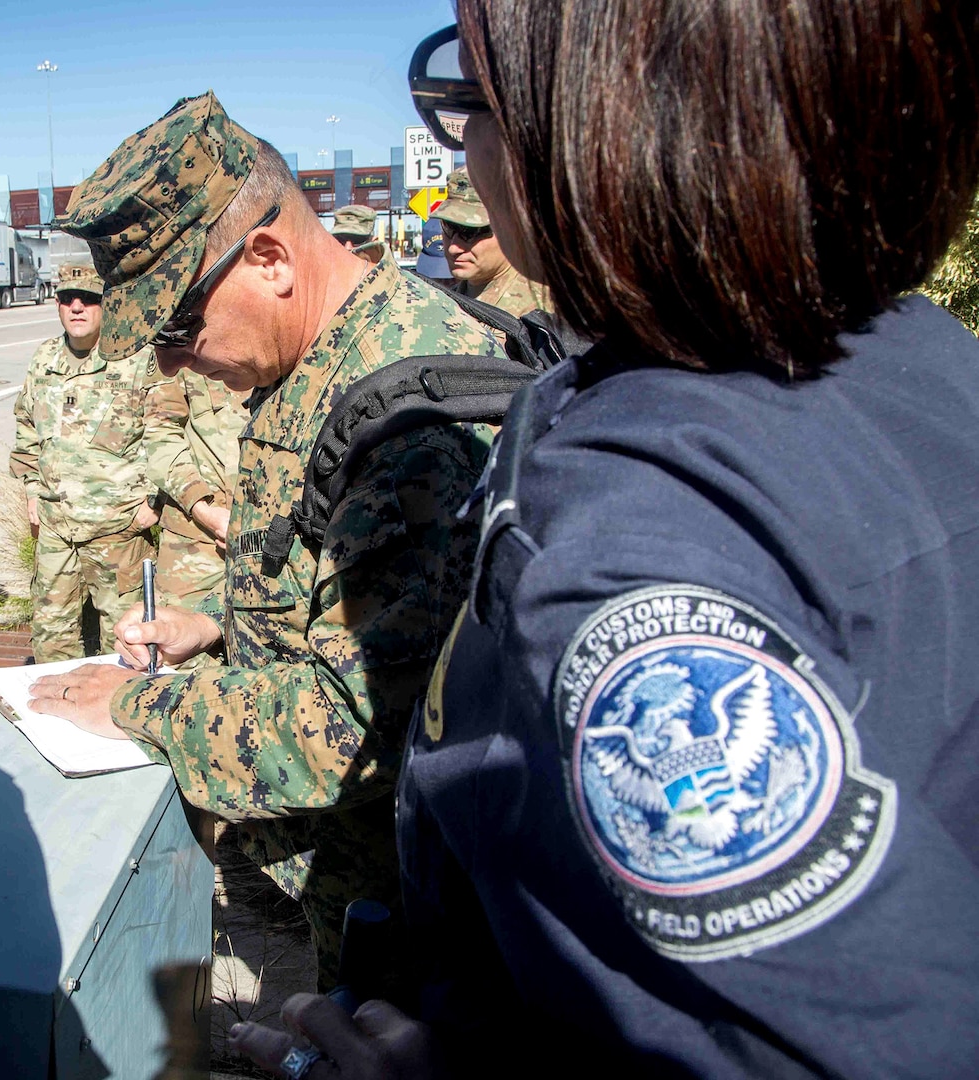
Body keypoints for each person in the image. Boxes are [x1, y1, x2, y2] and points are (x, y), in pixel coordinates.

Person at [234, 2, 979, 1077]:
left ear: (607, 130)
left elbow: (887, 1039)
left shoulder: (627, 537)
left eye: (476, 98)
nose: (465, 144)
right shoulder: (914, 353)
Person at [27, 92, 500, 988]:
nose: (168, 362)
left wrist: (131, 707)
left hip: (404, 926)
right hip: (339, 879)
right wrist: (213, 618)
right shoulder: (327, 355)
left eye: (176, 324)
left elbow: (354, 723)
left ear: (272, 258)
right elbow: (327, 567)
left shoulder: (409, 428)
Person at [9, 262, 162, 663]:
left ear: (106, 303)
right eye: (67, 299)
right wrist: (30, 492)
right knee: (52, 637)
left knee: (127, 640)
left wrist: (153, 503)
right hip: (57, 530)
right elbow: (26, 426)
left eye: (89, 299)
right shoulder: (44, 359)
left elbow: (166, 433)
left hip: (118, 531)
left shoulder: (135, 359)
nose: (77, 307)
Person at [141, 367, 245, 611]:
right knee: (181, 640)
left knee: (267, 641)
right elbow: (161, 436)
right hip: (194, 541)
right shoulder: (180, 343)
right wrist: (203, 510)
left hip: (273, 537)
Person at [434, 165, 545, 316]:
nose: (454, 248)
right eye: (448, 227)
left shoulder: (540, 309)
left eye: (471, 232)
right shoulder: (445, 303)